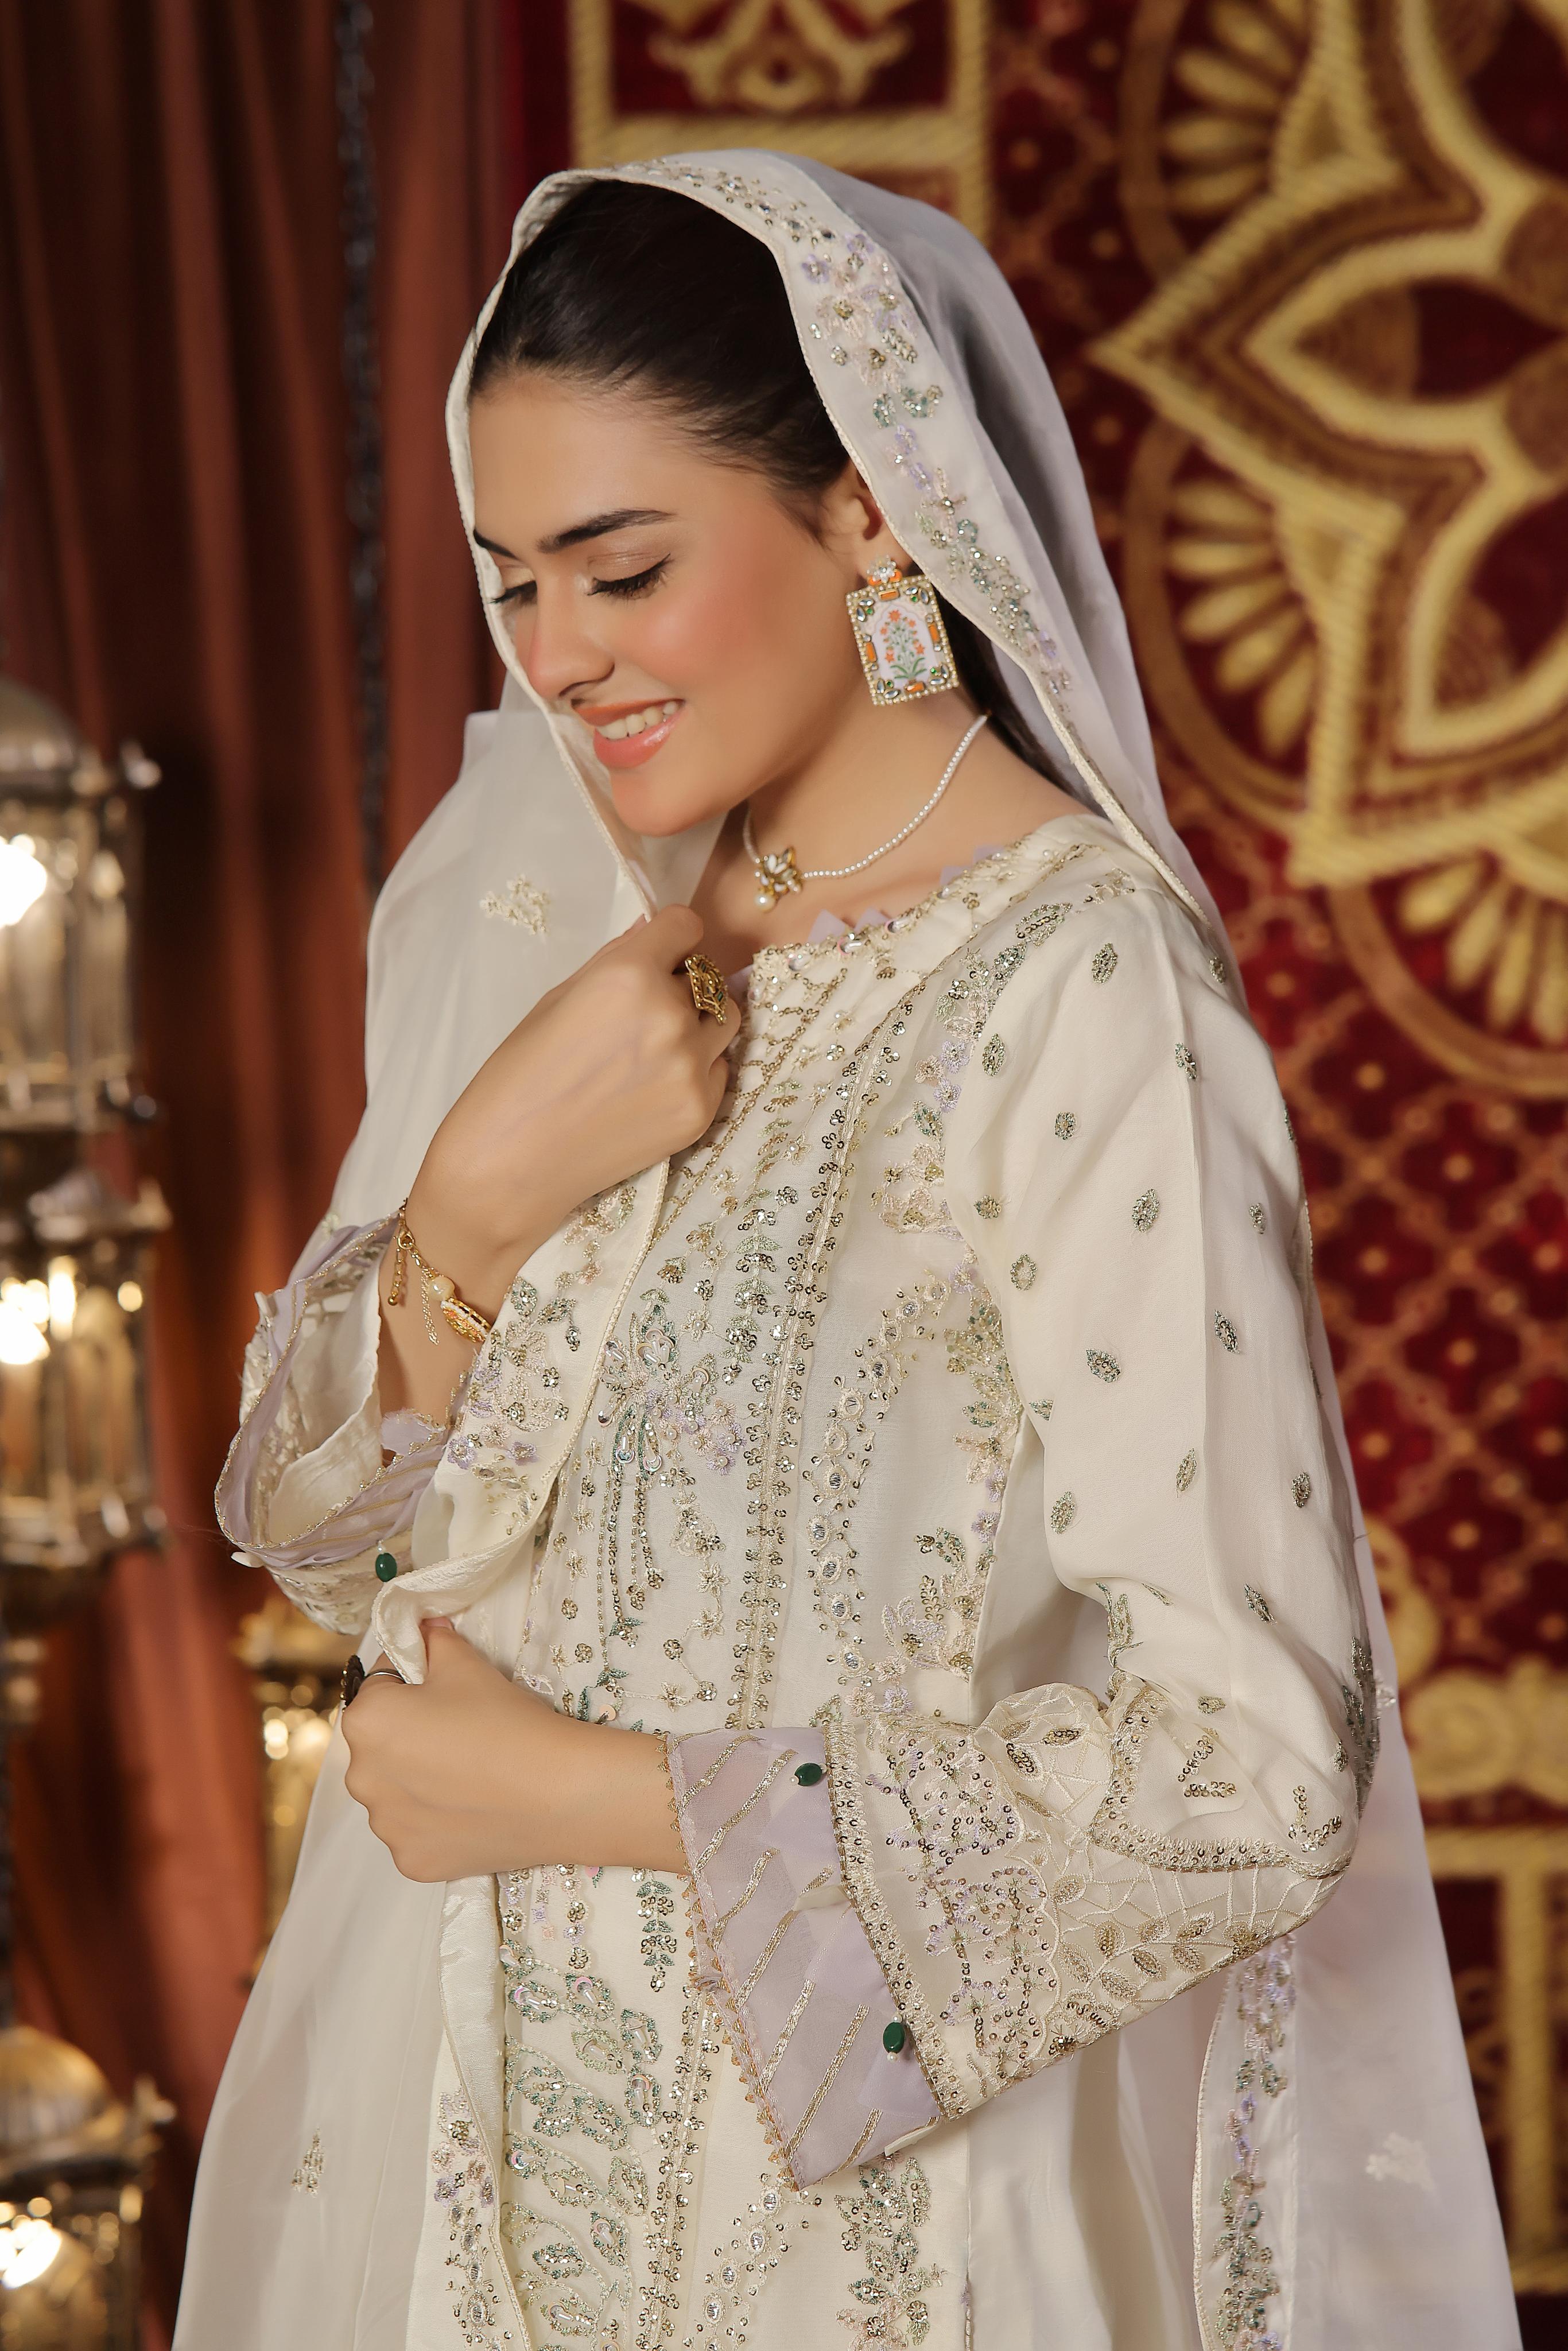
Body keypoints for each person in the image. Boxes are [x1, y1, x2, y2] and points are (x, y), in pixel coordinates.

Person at [175, 154, 1515, 2350]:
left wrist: (582, 1800)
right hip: (471, 2186)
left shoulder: (1077, 988)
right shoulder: (553, 915)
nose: (557, 658)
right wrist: (473, 1203)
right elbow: (324, 1545)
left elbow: (1254, 1768)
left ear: (873, 516)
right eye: (512, 583)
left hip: (876, 2236)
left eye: (623, 569)